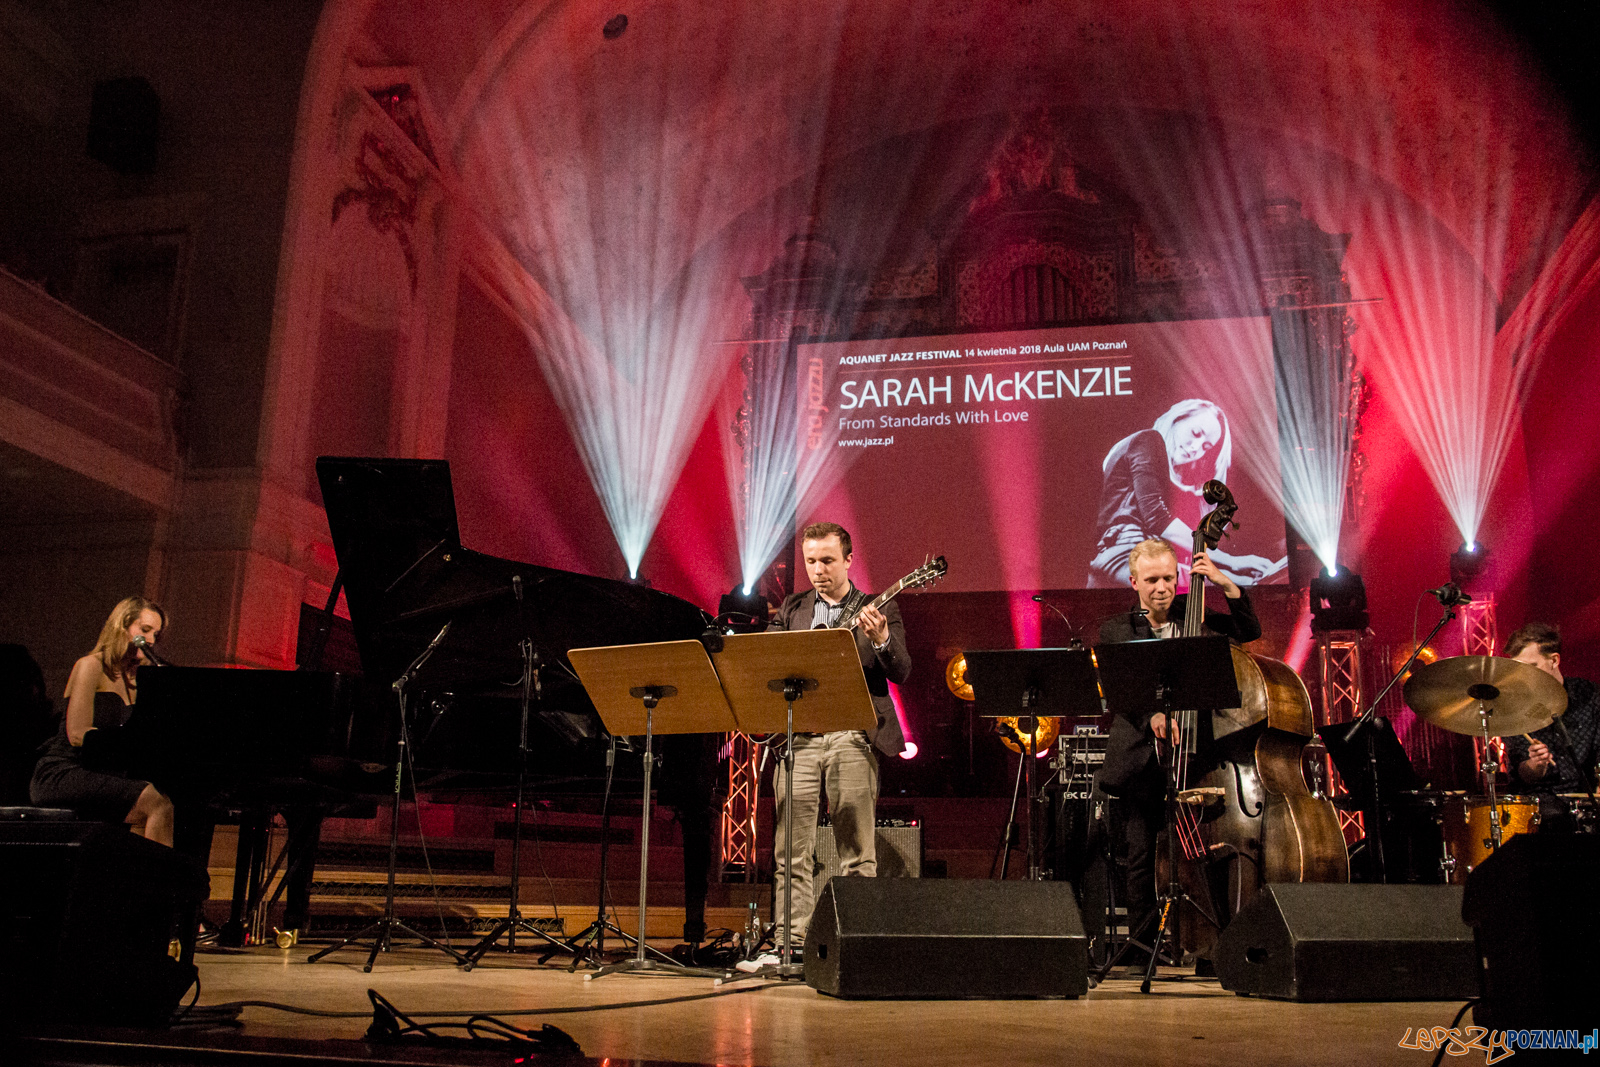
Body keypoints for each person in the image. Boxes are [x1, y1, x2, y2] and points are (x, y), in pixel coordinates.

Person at [743, 522, 911, 970]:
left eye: (827, 561)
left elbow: (902, 671)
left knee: (856, 848)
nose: (818, 570)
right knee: (791, 849)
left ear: (849, 560)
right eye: (811, 561)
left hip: (854, 733)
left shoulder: (878, 607)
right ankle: (790, 945)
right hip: (800, 736)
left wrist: (881, 640)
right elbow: (767, 661)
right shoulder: (793, 609)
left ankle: (859, 942)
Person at [1096, 538, 1260, 951]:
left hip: (1196, 757)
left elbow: (1249, 631)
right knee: (1140, 856)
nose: (1162, 587)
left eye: (1169, 577)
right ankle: (1141, 947)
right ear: (1134, 582)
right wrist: (1152, 717)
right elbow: (1121, 693)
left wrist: (1225, 583)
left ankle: (1211, 943)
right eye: (1152, 580)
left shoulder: (1196, 614)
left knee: (1204, 850)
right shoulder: (1117, 629)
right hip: (1140, 761)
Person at [30, 597, 174, 846]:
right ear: (122, 626)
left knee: (171, 800)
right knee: (157, 803)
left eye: (156, 634)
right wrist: (126, 746)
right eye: (145, 630)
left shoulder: (141, 681)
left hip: (105, 773)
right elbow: (77, 734)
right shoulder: (90, 666)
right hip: (65, 771)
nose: (150, 640)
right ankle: (155, 881)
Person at [1086, 398, 1275, 589]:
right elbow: (1157, 519)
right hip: (1125, 552)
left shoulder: (1153, 462)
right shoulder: (1147, 439)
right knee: (1232, 583)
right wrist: (1232, 562)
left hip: (1130, 557)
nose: (1195, 448)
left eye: (1205, 447)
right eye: (1195, 433)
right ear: (1177, 419)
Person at [1502, 623, 1598, 809]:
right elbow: (1522, 773)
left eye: (1532, 667)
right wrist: (1535, 765)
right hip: (1535, 806)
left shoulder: (1590, 695)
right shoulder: (1513, 706)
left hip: (1584, 803)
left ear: (1554, 660)